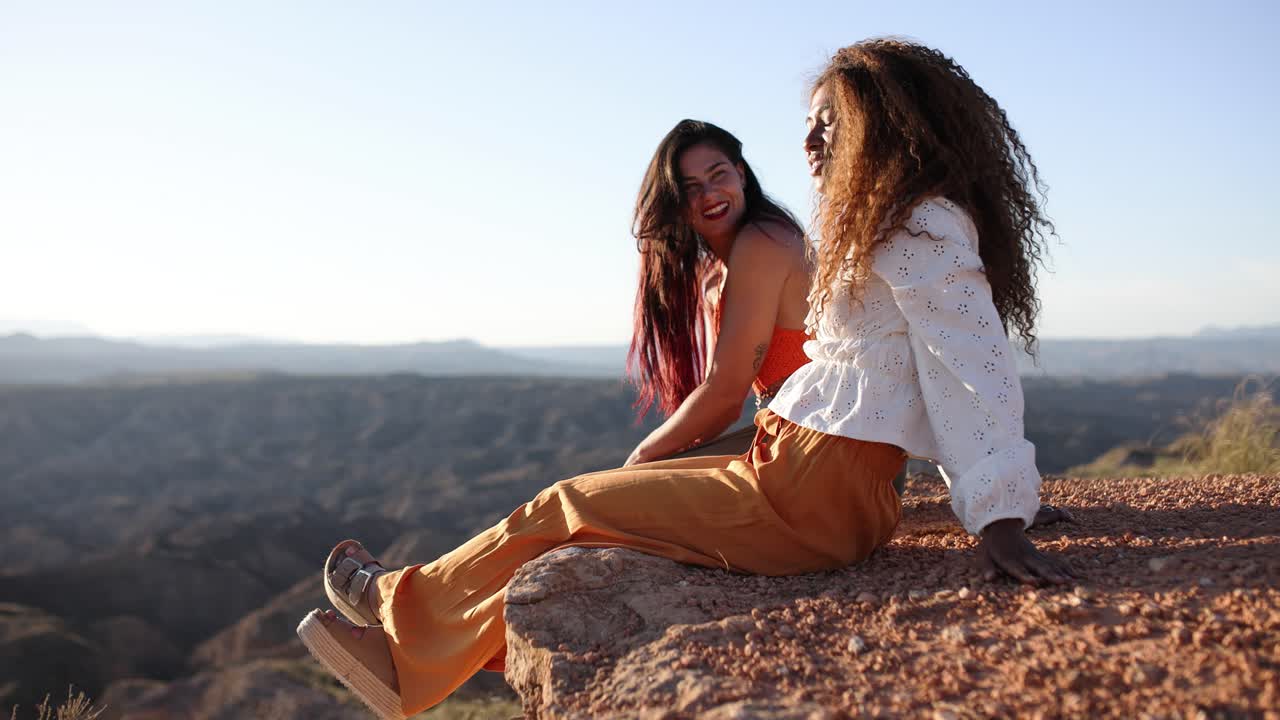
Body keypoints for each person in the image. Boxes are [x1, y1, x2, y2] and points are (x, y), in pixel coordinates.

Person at [296, 38, 1075, 720]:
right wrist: (990, 494)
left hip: (806, 496)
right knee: (590, 510)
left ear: (887, 122)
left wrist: (999, 506)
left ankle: (400, 628)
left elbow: (969, 362)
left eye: (828, 122)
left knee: (568, 502)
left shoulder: (917, 224)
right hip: (801, 477)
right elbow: (910, 376)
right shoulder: (877, 222)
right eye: (808, 121)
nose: (807, 139)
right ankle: (424, 635)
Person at [623, 119, 812, 465]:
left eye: (718, 174)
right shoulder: (718, 275)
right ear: (676, 202)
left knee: (593, 495)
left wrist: (640, 458)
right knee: (610, 490)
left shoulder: (764, 242)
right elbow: (719, 410)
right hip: (793, 440)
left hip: (825, 455)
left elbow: (725, 397)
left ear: (741, 174)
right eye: (690, 187)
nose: (708, 194)